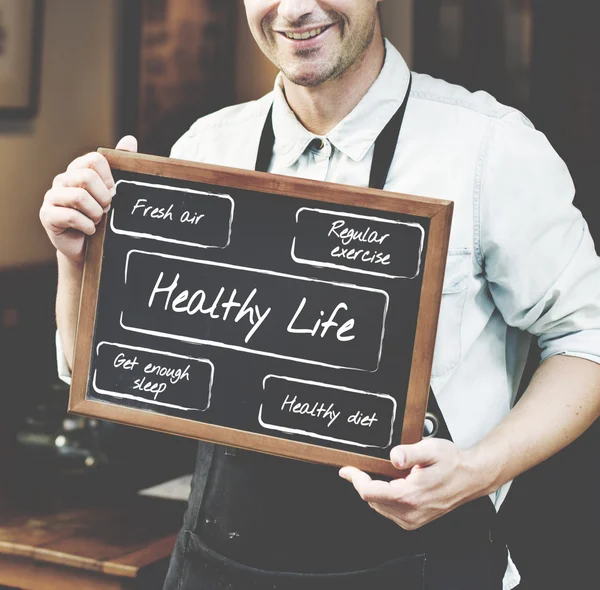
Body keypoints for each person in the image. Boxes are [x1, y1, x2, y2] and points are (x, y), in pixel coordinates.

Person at [40, 1, 600, 589]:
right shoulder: (204, 150)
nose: (297, 8)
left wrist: (479, 471)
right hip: (219, 567)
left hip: (427, 568)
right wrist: (73, 258)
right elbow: (98, 369)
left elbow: (587, 339)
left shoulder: (491, 148)